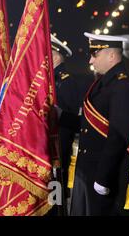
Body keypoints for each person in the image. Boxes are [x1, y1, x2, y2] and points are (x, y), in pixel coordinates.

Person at [59, 33, 129, 216]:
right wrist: (60, 116)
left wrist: (104, 178)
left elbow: (118, 136)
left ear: (111, 55)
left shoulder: (124, 85)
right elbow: (88, 125)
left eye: (95, 55)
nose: (90, 60)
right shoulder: (103, 83)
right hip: (88, 170)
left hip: (106, 175)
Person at [50, 34, 81, 214]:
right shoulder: (51, 78)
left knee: (56, 194)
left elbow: (70, 115)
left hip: (59, 146)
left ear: (55, 55)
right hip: (49, 146)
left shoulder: (65, 80)